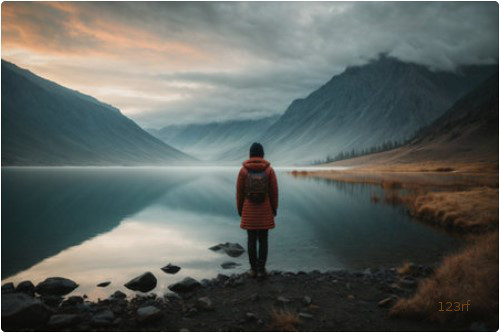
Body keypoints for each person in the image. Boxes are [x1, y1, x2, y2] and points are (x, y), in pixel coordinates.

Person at [236, 142, 279, 279]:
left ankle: (253, 270)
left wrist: (240, 209)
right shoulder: (269, 170)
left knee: (251, 239)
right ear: (262, 154)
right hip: (265, 209)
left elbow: (239, 193)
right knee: (263, 239)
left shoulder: (243, 171)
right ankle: (261, 270)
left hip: (249, 210)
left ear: (250, 155)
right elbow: (274, 192)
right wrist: (274, 209)